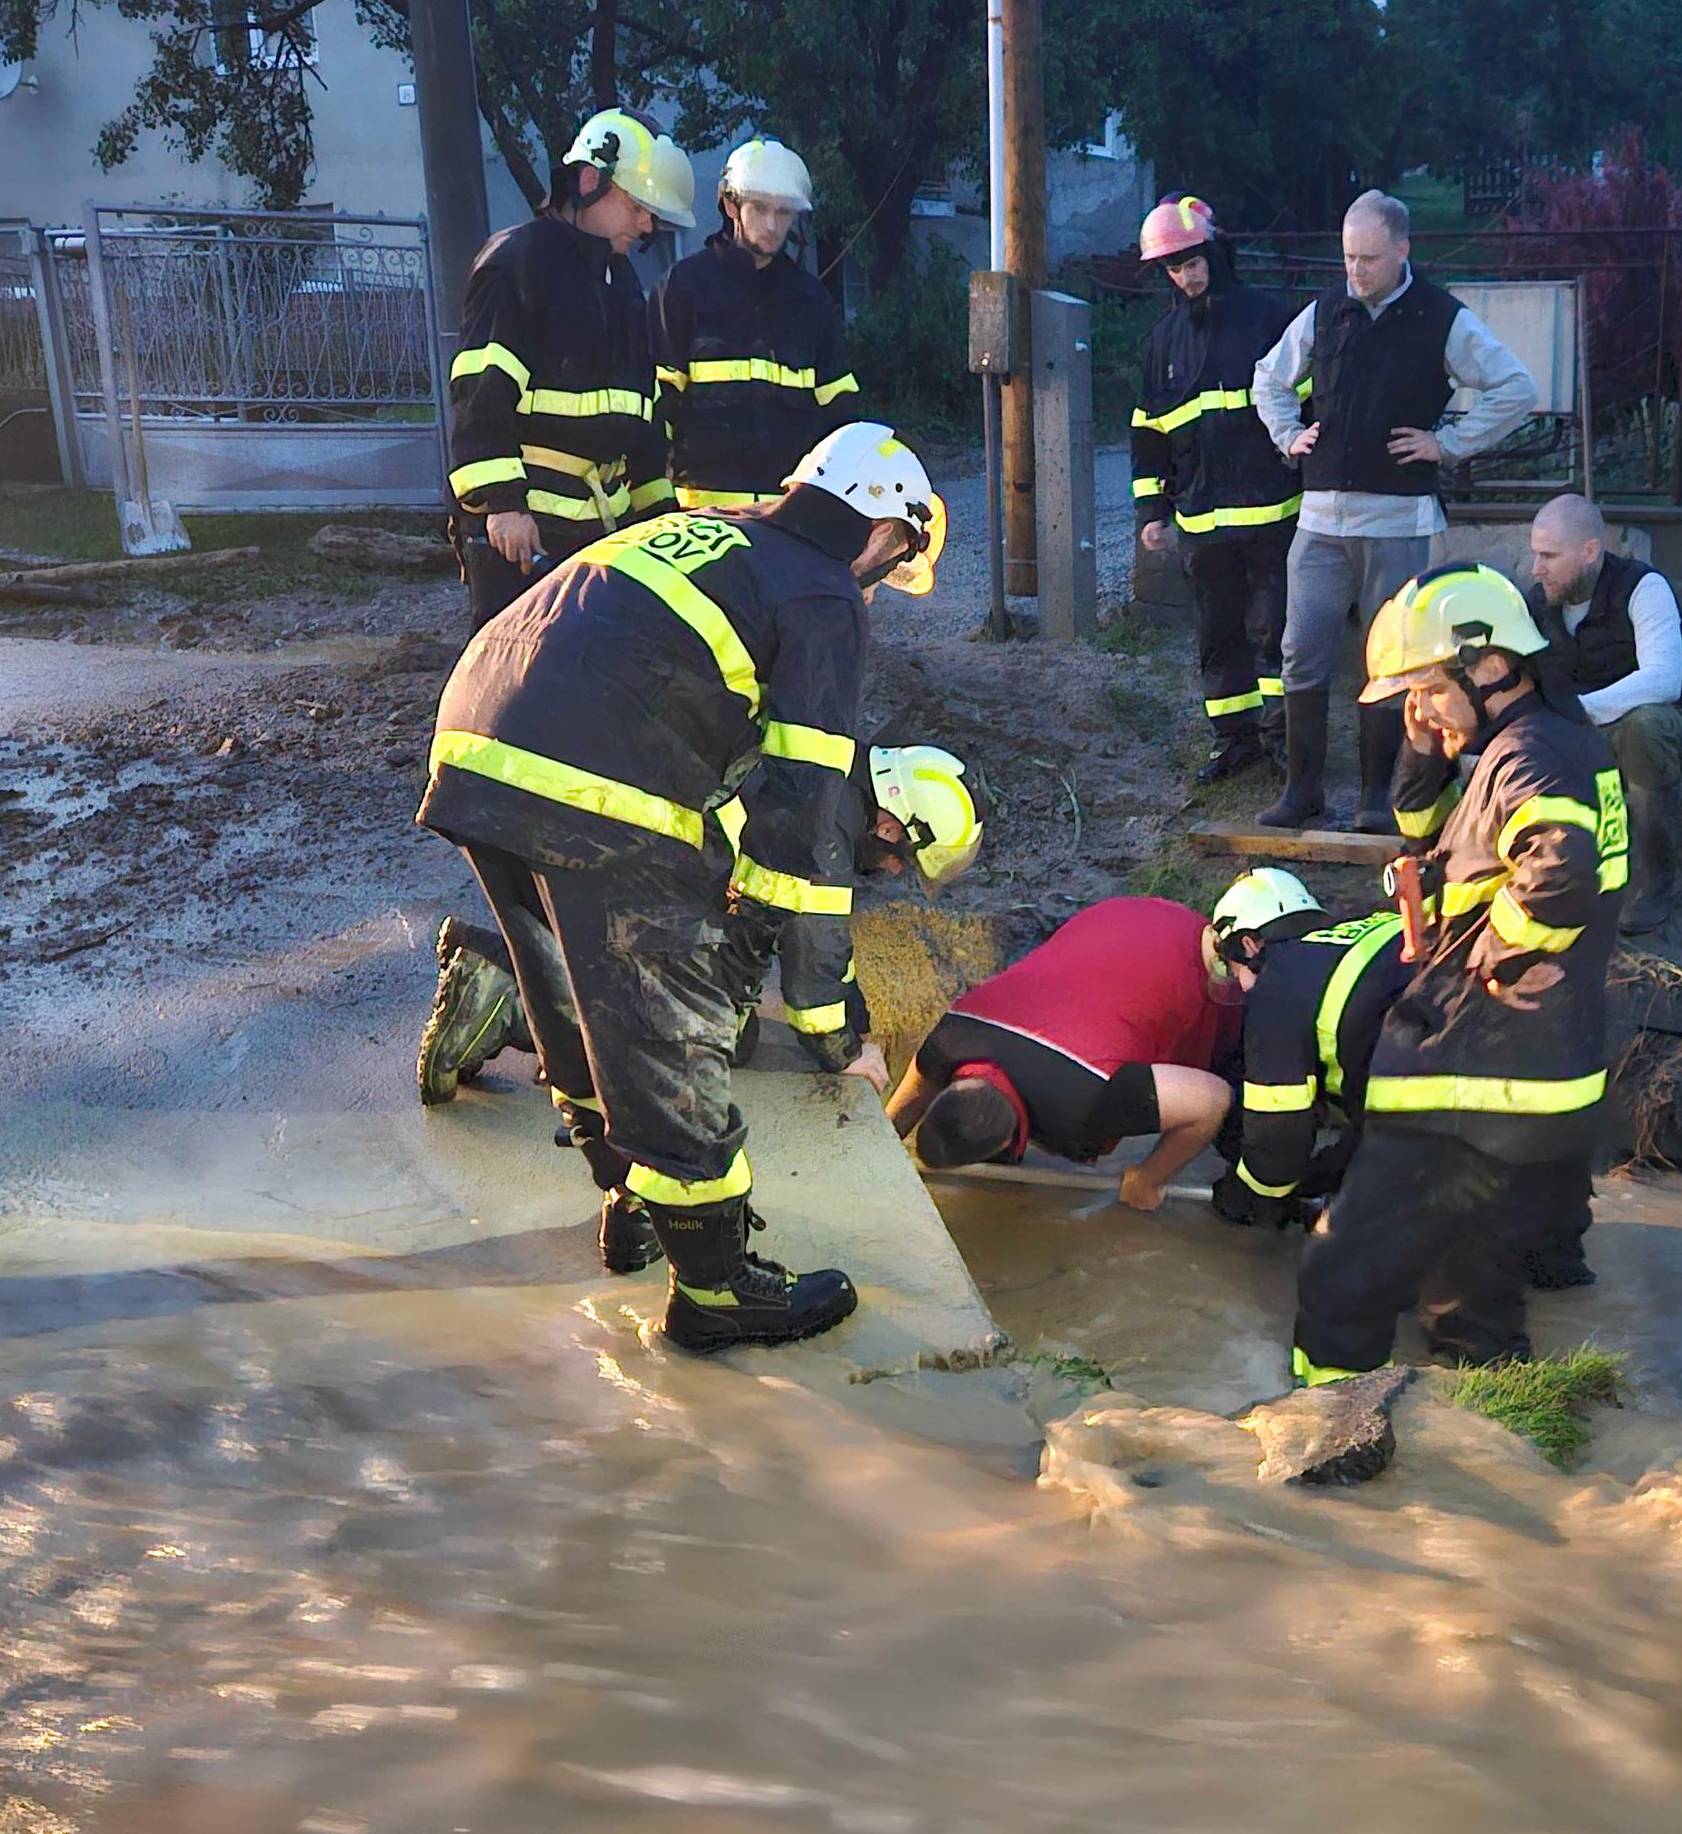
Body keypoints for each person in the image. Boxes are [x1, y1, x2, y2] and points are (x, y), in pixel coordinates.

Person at [417, 420, 946, 1351]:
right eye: (893, 557)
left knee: (573, 996)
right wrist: (815, 1007)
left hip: (475, 740)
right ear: (884, 525)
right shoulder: (824, 592)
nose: (880, 579)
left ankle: (627, 1202)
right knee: (672, 1024)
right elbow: (808, 808)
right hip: (595, 769)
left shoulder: (714, 529)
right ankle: (715, 1290)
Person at [1290, 565, 1624, 1389]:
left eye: (1427, 689)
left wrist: (1471, 968)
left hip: (1476, 1064)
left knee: (1346, 1265)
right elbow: (1422, 823)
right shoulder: (1550, 740)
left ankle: (1322, 1437)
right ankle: (1492, 1429)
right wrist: (1424, 733)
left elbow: (1561, 877)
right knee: (1470, 1289)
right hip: (1543, 1066)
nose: (1420, 708)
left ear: (1487, 663)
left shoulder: (1530, 757)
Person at [416, 743, 984, 1105]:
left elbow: (829, 946)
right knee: (704, 1035)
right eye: (901, 857)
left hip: (614, 838)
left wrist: (857, 1022)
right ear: (890, 825)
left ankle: (505, 968)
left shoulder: (828, 777)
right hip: (639, 868)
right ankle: (507, 996)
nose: (891, 869)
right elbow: (813, 964)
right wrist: (844, 1052)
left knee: (728, 1024)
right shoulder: (827, 833)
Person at [1250, 191, 1538, 833]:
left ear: (1403, 249)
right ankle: (1303, 794)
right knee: (1302, 650)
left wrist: (1451, 444)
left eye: (1369, 258)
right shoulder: (1325, 311)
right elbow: (1267, 378)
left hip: (1400, 522)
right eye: (1348, 257)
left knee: (1391, 661)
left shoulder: (1441, 318)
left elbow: (1517, 388)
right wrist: (1287, 434)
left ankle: (1378, 799)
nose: (1355, 270)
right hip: (1320, 518)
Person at [446, 110, 696, 627]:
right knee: (513, 683)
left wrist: (660, 521)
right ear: (588, 180)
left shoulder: (620, 282)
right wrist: (501, 504)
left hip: (599, 535)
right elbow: (480, 393)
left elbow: (641, 416)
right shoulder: (519, 260)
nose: (647, 225)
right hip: (525, 535)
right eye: (636, 206)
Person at [886, 895, 1242, 1215]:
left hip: (1204, 957)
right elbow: (899, 1113)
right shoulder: (950, 1036)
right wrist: (883, 1144)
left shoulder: (1087, 1103)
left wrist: (1149, 1178)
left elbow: (1212, 1100)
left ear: (1012, 1141)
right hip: (1117, 914)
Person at [1129, 196, 1303, 785]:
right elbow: (1148, 432)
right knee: (1217, 636)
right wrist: (1151, 508)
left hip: (1271, 513)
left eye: (1194, 260)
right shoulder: (1160, 344)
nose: (1187, 275)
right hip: (1201, 524)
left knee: (1275, 634)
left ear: (1215, 251)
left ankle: (1286, 743)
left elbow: (1303, 403)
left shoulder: (1268, 319)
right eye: (1175, 267)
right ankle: (1234, 742)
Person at [1525, 493, 1682, 935]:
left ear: (1590, 551)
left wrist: (1574, 713)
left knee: (1644, 726)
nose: (1537, 568)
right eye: (1536, 555)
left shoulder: (1645, 588)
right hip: (1579, 741)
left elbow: (1664, 680)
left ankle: (1653, 885)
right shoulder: (1538, 603)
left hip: (1660, 737)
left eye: (1549, 556)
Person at [1202, 870, 1414, 1235]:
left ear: (1250, 945)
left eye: (1234, 969)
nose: (1241, 983)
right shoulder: (1377, 924)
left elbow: (1277, 1141)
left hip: (1448, 1124)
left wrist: (1244, 1197)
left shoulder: (1276, 986)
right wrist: (1326, 1171)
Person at [657, 139, 861, 514]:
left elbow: (841, 415)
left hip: (787, 518)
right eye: (760, 208)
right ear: (732, 205)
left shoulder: (810, 299)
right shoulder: (684, 287)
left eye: (784, 212)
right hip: (699, 520)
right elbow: (657, 409)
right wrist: (657, 505)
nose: (771, 225)